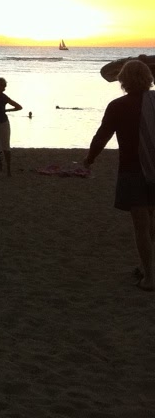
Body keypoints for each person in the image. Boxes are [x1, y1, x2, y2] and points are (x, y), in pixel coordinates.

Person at [82, 58, 155, 291]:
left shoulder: (118, 105)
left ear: (122, 80)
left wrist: (90, 159)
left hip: (133, 170)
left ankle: (150, 277)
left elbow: (102, 136)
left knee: (141, 226)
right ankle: (147, 269)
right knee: (152, 224)